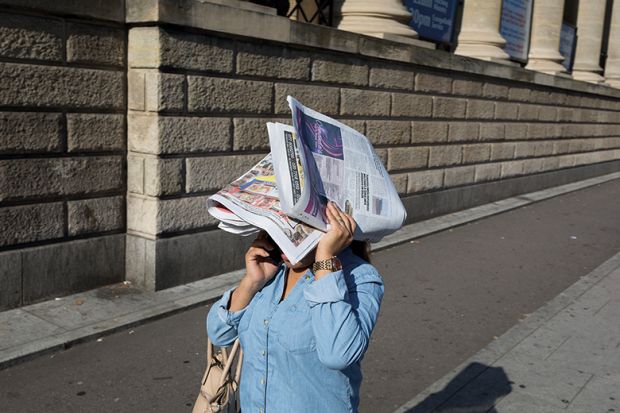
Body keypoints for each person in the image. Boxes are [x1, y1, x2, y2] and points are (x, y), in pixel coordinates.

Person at [206, 201, 384, 413]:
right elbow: (219, 334)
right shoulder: (272, 270)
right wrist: (251, 282)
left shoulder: (360, 277)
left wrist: (325, 260)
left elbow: (338, 354)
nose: (284, 239)